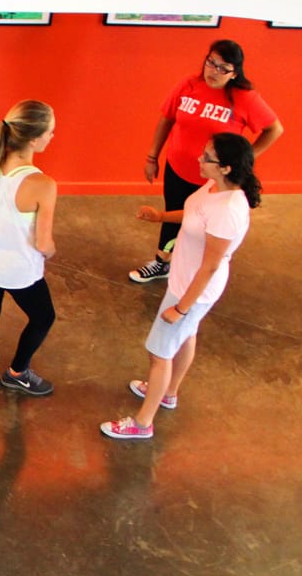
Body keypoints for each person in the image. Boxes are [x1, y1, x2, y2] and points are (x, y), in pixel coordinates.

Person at [102, 132, 261, 439]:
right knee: (186, 336)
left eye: (207, 158)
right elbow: (194, 216)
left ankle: (143, 423)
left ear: (226, 167)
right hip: (186, 281)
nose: (199, 160)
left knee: (159, 353)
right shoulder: (215, 187)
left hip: (191, 289)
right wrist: (159, 217)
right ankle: (168, 393)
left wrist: (181, 306)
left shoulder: (228, 210)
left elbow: (211, 264)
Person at [130, 39, 282, 284]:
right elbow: (167, 118)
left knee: (203, 224)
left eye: (223, 68)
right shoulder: (188, 84)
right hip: (178, 168)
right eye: (211, 63)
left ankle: (198, 273)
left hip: (214, 179)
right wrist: (152, 156)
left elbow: (274, 129)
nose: (214, 71)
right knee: (172, 215)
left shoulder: (245, 98)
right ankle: (162, 262)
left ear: (235, 73)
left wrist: (245, 158)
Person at [0, 100, 59, 411]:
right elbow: (44, 243)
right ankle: (17, 372)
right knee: (43, 316)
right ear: (33, 139)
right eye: (50, 132)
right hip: (18, 270)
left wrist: (2, 226)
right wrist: (51, 250)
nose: (52, 136)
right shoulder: (43, 184)